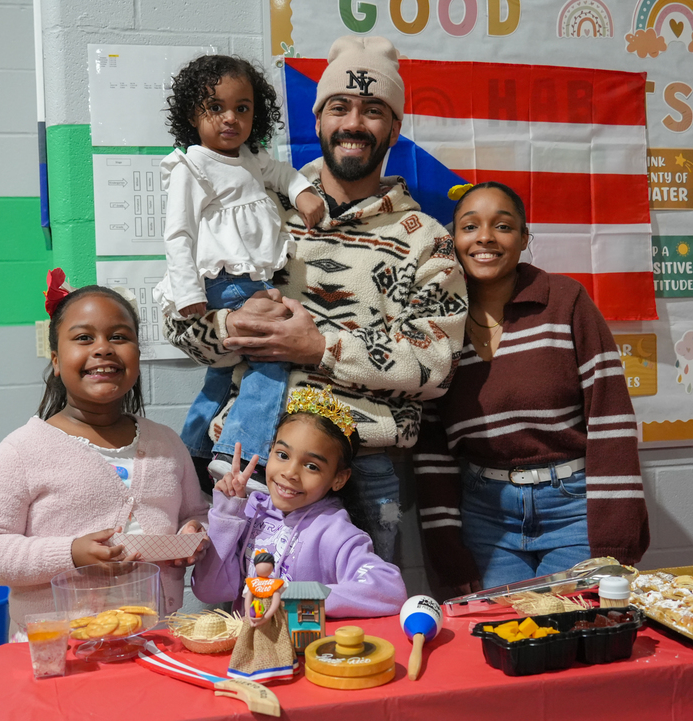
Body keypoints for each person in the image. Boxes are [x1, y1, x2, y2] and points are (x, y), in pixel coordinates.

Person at [165, 36, 467, 562]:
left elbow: (435, 364)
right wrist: (232, 324)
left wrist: (319, 347)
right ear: (319, 120)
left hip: (364, 469)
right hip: (248, 465)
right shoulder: (255, 204)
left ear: (394, 128)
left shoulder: (426, 239)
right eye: (339, 107)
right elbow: (180, 324)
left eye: (374, 111)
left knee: (359, 634)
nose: (354, 123)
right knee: (243, 628)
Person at [412, 182, 650, 594]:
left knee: (580, 635)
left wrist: (615, 539)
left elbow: (610, 417)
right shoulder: (436, 320)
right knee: (504, 639)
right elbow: (431, 447)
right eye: (470, 227)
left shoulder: (565, 300)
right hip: (486, 517)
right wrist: (446, 548)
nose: (485, 236)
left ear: (524, 239)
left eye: (502, 226)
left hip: (575, 509)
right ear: (453, 241)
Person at [0, 270, 209, 637]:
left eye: (119, 337)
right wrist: (71, 554)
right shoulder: (23, 450)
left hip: (155, 639)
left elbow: (196, 513)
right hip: (61, 650)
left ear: (137, 356)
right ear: (57, 360)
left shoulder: (167, 444)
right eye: (83, 338)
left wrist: (195, 531)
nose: (103, 347)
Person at [154, 55, 325, 483]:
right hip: (225, 282)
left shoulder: (250, 157)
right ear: (193, 114)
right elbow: (178, 235)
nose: (230, 118)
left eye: (242, 108)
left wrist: (304, 193)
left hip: (250, 280)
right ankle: (239, 452)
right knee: (272, 359)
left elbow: (283, 174)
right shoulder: (191, 166)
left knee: (221, 373)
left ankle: (193, 447)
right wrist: (189, 293)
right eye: (216, 107)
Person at [192, 386, 408, 620]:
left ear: (338, 478)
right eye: (283, 455)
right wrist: (227, 515)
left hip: (309, 652)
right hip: (252, 650)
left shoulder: (336, 533)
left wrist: (293, 594)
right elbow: (209, 591)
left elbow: (391, 590)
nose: (290, 473)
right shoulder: (250, 511)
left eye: (312, 466)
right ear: (270, 451)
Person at [227, 551, 297, 683]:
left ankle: (277, 667)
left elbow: (275, 603)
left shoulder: (276, 583)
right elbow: (247, 600)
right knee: (250, 640)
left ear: (272, 567)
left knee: (277, 639)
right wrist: (249, 615)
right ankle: (250, 667)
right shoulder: (252, 583)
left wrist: (267, 616)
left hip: (273, 618)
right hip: (255, 614)